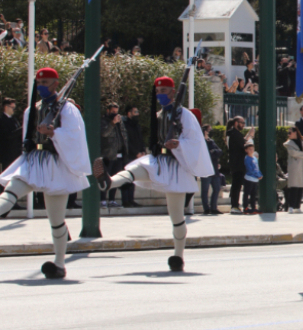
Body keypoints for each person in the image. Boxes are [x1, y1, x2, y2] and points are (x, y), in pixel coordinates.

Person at [95, 76, 214, 272]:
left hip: (176, 165)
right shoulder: (159, 115)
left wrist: (179, 144)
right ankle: (109, 182)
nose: (160, 95)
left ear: (173, 92)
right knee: (133, 171)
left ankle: (178, 256)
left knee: (176, 216)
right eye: (158, 92)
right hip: (158, 160)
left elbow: (195, 140)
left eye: (164, 91)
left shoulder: (184, 115)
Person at [0, 68, 92, 279]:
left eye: (45, 83)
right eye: (39, 83)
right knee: (9, 194)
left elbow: (74, 135)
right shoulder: (31, 110)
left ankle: (59, 264)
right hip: (33, 161)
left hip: (55, 164)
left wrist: (53, 133)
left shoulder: (67, 109)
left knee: (56, 220)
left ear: (56, 84)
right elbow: (27, 137)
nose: (41, 87)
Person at [99, 102, 129, 207]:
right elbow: (104, 133)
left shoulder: (119, 122)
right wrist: (112, 123)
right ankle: (102, 199)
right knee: (105, 179)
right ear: (108, 111)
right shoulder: (103, 121)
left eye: (116, 112)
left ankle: (112, 199)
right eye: (113, 111)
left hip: (119, 155)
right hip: (107, 155)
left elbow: (124, 135)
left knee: (115, 179)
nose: (115, 114)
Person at [284, 127, 303, 213]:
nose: (288, 134)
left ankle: (297, 206)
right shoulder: (289, 143)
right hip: (294, 167)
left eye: (290, 132)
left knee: (301, 187)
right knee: (294, 187)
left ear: (295, 132)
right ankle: (291, 206)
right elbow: (293, 153)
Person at [226, 116, 247, 213]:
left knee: (236, 185)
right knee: (236, 185)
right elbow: (244, 146)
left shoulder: (232, 133)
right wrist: (250, 136)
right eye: (242, 122)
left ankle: (235, 205)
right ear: (236, 123)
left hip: (236, 163)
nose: (243, 125)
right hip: (238, 163)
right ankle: (234, 206)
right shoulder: (234, 134)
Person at [201, 125, 223, 215]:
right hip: (205, 169)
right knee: (205, 190)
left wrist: (213, 152)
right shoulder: (201, 142)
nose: (210, 131)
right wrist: (213, 153)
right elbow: (205, 154)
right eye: (209, 130)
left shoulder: (211, 141)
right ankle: (206, 208)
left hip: (214, 169)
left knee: (217, 188)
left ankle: (214, 207)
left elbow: (220, 151)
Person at [242, 141, 262, 214]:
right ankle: (245, 207)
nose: (251, 150)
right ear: (246, 150)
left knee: (253, 194)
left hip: (255, 180)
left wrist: (260, 174)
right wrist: (257, 175)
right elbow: (250, 169)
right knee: (247, 193)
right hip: (249, 178)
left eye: (252, 149)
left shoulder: (255, 158)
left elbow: (257, 168)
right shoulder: (247, 158)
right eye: (249, 149)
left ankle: (253, 207)